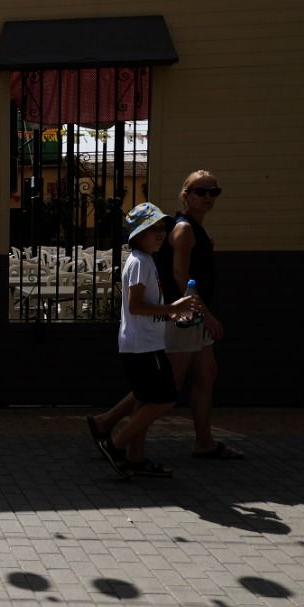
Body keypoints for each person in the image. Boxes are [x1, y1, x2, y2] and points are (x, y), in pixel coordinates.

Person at [87, 170, 243, 460]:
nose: (207, 197)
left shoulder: (193, 229)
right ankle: (120, 436)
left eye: (214, 192)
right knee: (163, 388)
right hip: (185, 314)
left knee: (205, 375)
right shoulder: (182, 231)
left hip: (188, 312)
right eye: (200, 191)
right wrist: (201, 313)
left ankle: (203, 441)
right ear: (186, 194)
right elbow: (180, 275)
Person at [93, 202, 202, 479]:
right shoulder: (140, 262)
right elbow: (137, 305)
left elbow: (145, 308)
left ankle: (136, 459)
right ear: (137, 234)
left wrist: (171, 314)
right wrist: (173, 309)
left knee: (144, 400)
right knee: (164, 399)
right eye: (152, 229)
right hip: (143, 347)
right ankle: (115, 444)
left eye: (162, 228)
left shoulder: (144, 261)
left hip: (143, 344)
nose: (160, 234)